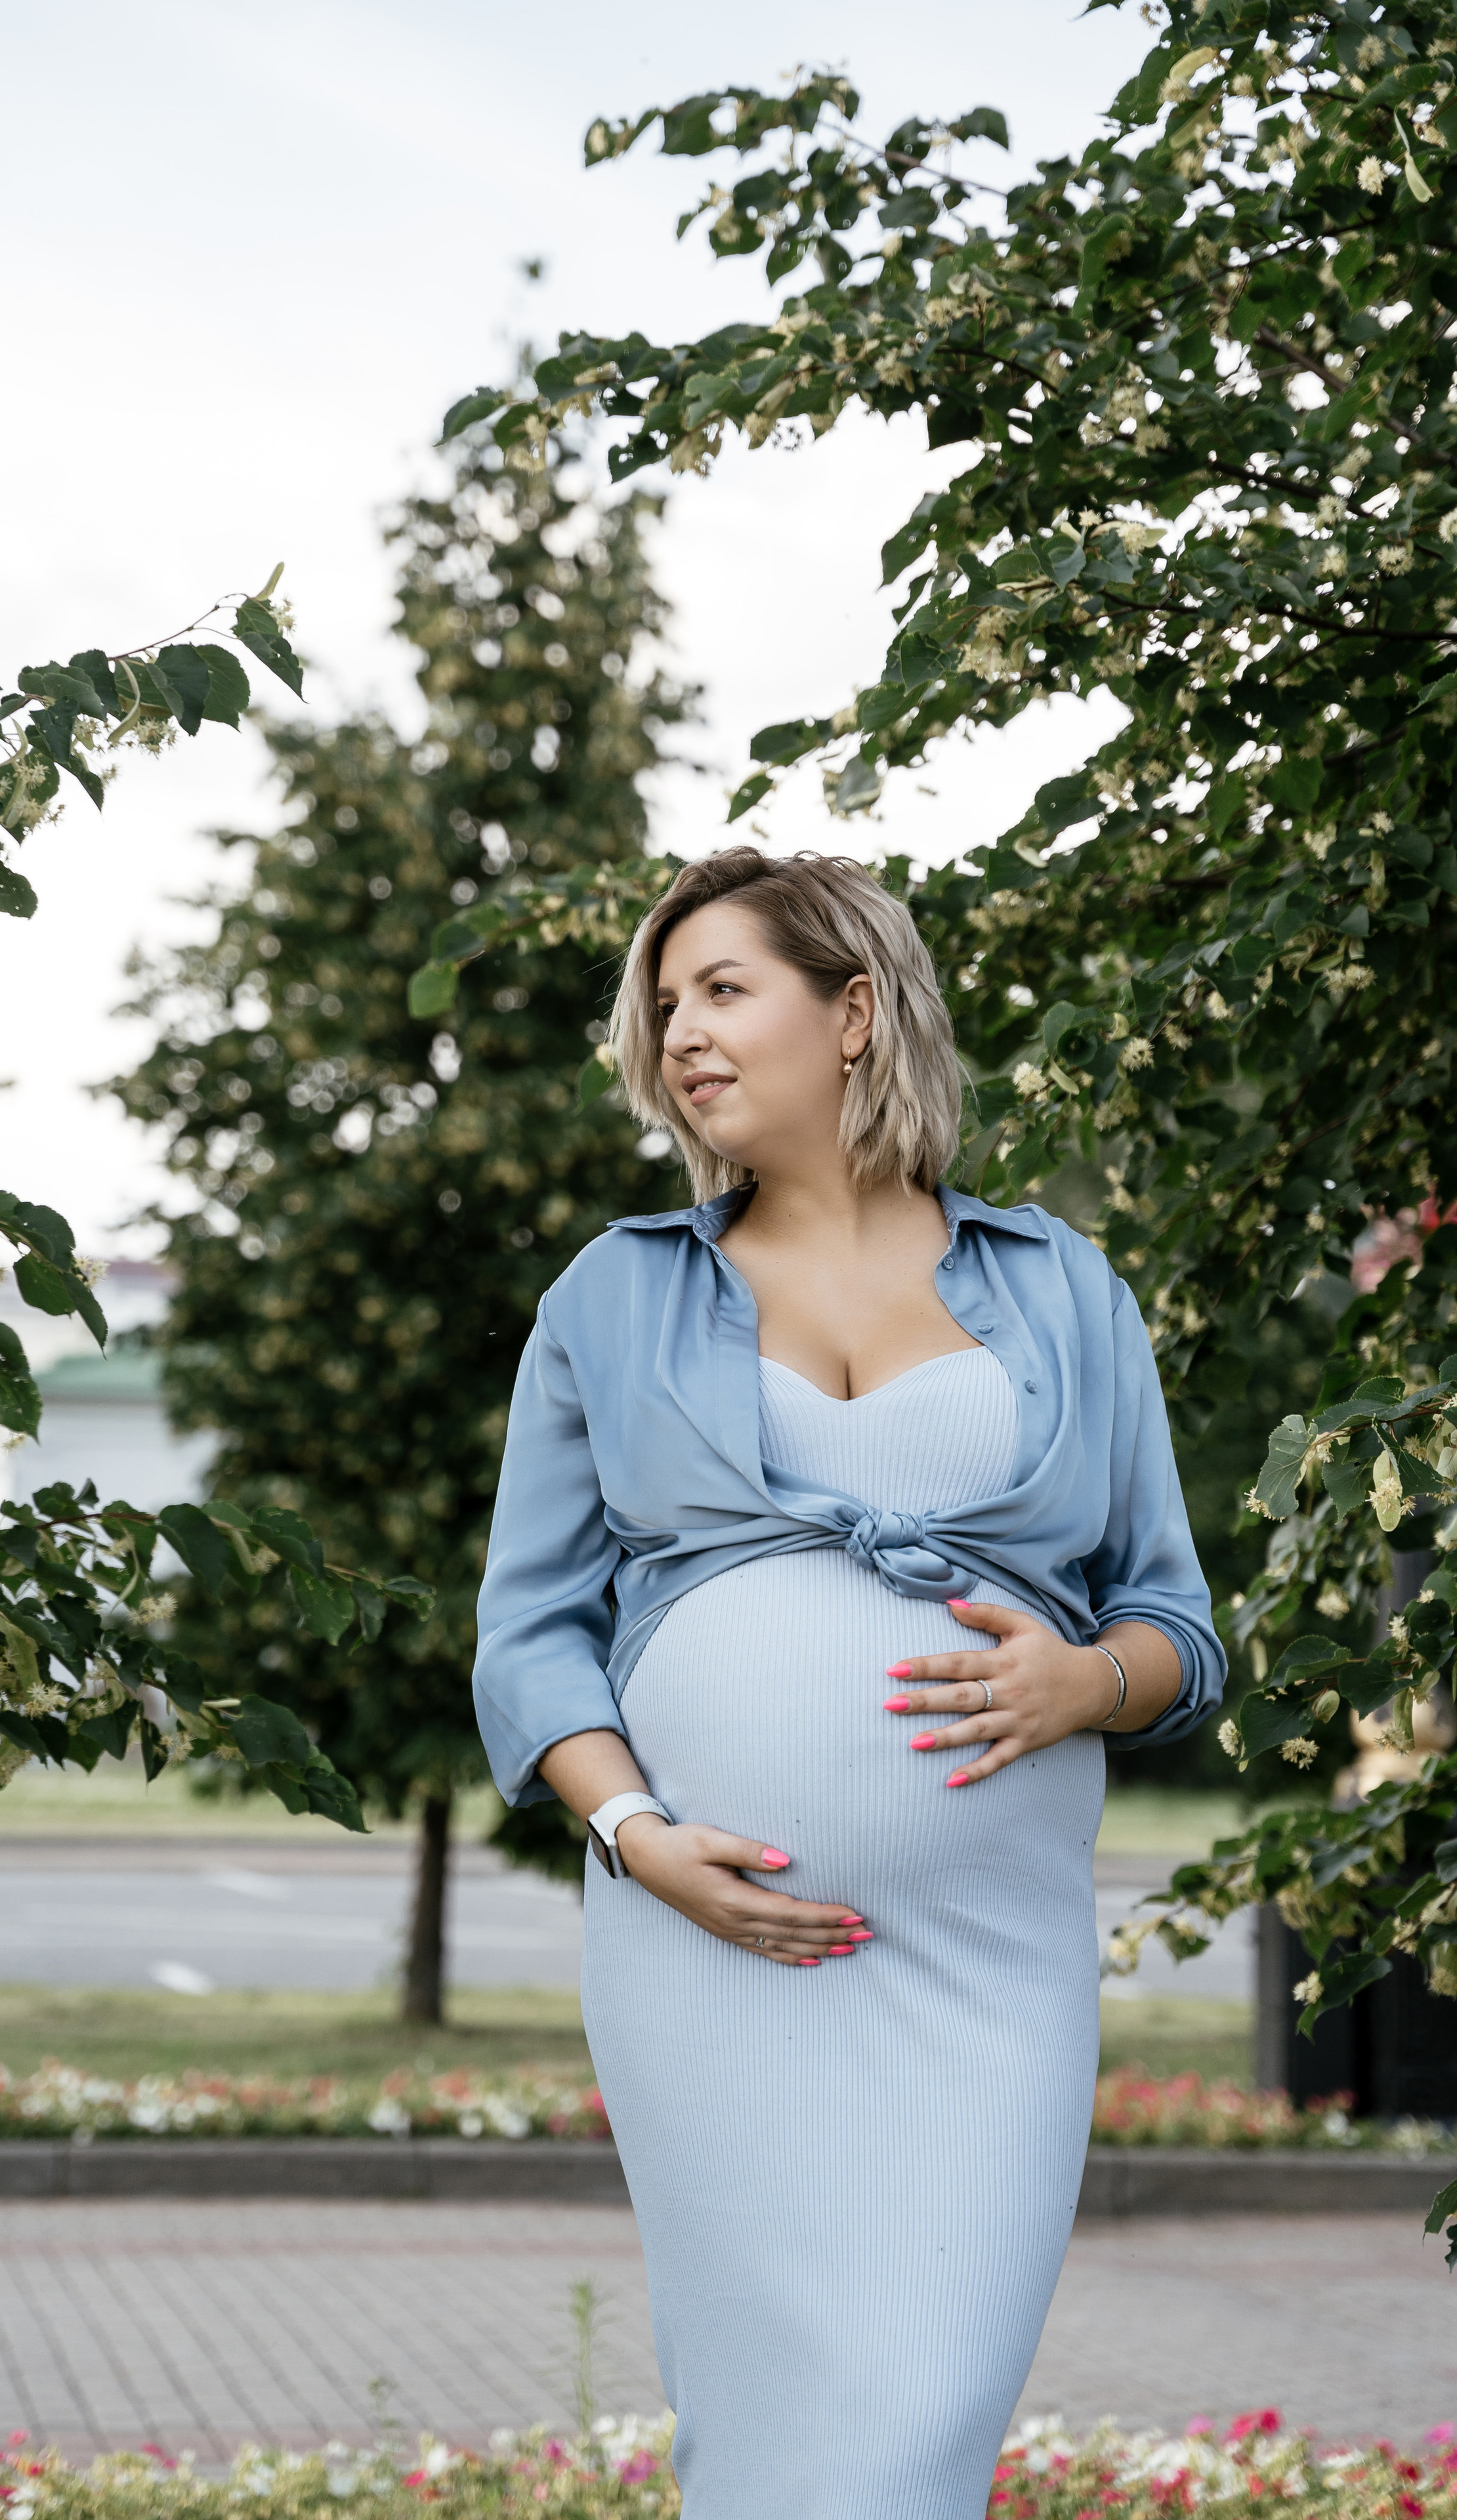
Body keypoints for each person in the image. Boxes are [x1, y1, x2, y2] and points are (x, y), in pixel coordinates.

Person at [473, 846, 1225, 2520]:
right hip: (702, 1955)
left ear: (857, 1009)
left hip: (985, 1969)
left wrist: (1082, 1681)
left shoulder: (1058, 1287)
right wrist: (636, 1838)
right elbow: (529, 1634)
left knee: (917, 2423)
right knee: (759, 2433)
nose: (681, 1036)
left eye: (724, 991)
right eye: (663, 1009)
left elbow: (1177, 1626)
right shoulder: (615, 1293)